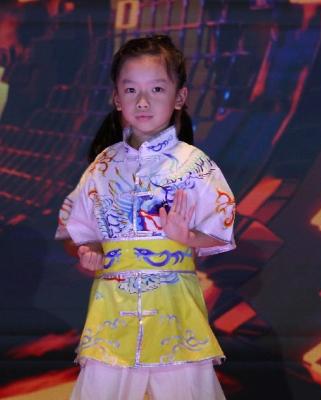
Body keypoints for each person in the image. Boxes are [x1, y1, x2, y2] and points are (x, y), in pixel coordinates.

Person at [56, 35, 236, 400]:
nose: (142, 101)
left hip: (175, 310)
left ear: (179, 97)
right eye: (130, 89)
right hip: (112, 310)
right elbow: (78, 232)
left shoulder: (196, 166)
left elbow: (221, 234)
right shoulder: (102, 167)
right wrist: (89, 251)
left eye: (156, 89)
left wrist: (188, 238)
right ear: (116, 98)